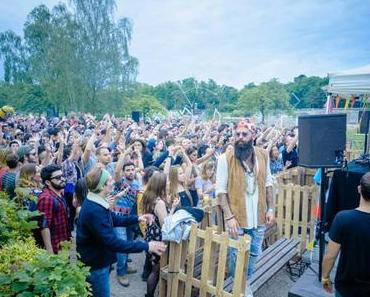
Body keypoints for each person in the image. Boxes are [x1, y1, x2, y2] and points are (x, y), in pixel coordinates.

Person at [76, 166, 166, 297]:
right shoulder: (94, 209)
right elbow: (112, 242)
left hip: (98, 261)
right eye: (110, 180)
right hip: (96, 265)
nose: (113, 182)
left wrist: (138, 218)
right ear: (102, 187)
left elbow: (113, 219)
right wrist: (147, 245)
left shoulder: (96, 201)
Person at [215, 119, 274, 297]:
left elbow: (269, 183)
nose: (240, 138)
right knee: (236, 254)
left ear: (253, 136)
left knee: (254, 253)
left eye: (244, 134)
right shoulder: (225, 159)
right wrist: (229, 217)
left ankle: (244, 282)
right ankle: (238, 285)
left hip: (259, 215)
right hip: (236, 218)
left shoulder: (263, 155)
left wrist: (271, 208)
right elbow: (220, 191)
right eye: (237, 134)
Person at [322, 172, 370, 297]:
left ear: (359, 189)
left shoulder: (343, 219)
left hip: (346, 288)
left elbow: (330, 256)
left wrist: (325, 277)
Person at [142, 171, 179, 297]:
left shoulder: (149, 197)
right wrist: (173, 208)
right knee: (156, 271)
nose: (168, 183)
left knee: (154, 268)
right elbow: (165, 224)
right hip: (158, 239)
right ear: (161, 185)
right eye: (166, 182)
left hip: (150, 236)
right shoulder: (159, 203)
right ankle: (149, 295)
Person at [37, 164, 71, 254]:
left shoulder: (59, 193)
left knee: (73, 264)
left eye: (62, 176)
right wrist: (50, 253)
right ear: (48, 182)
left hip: (66, 244)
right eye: (58, 177)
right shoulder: (46, 198)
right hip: (56, 248)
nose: (62, 179)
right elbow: (44, 226)